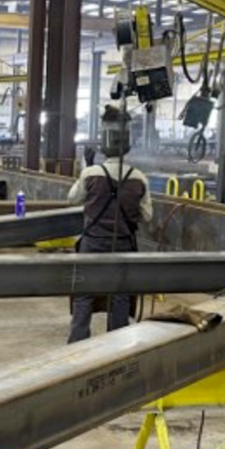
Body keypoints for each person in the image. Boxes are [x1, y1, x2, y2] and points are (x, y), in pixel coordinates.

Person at [65, 104, 153, 343]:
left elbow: (72, 199)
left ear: (104, 145)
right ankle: (116, 344)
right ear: (127, 145)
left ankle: (77, 342)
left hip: (92, 244)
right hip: (123, 245)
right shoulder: (139, 177)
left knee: (84, 294)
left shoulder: (91, 173)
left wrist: (87, 167)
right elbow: (147, 216)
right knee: (120, 296)